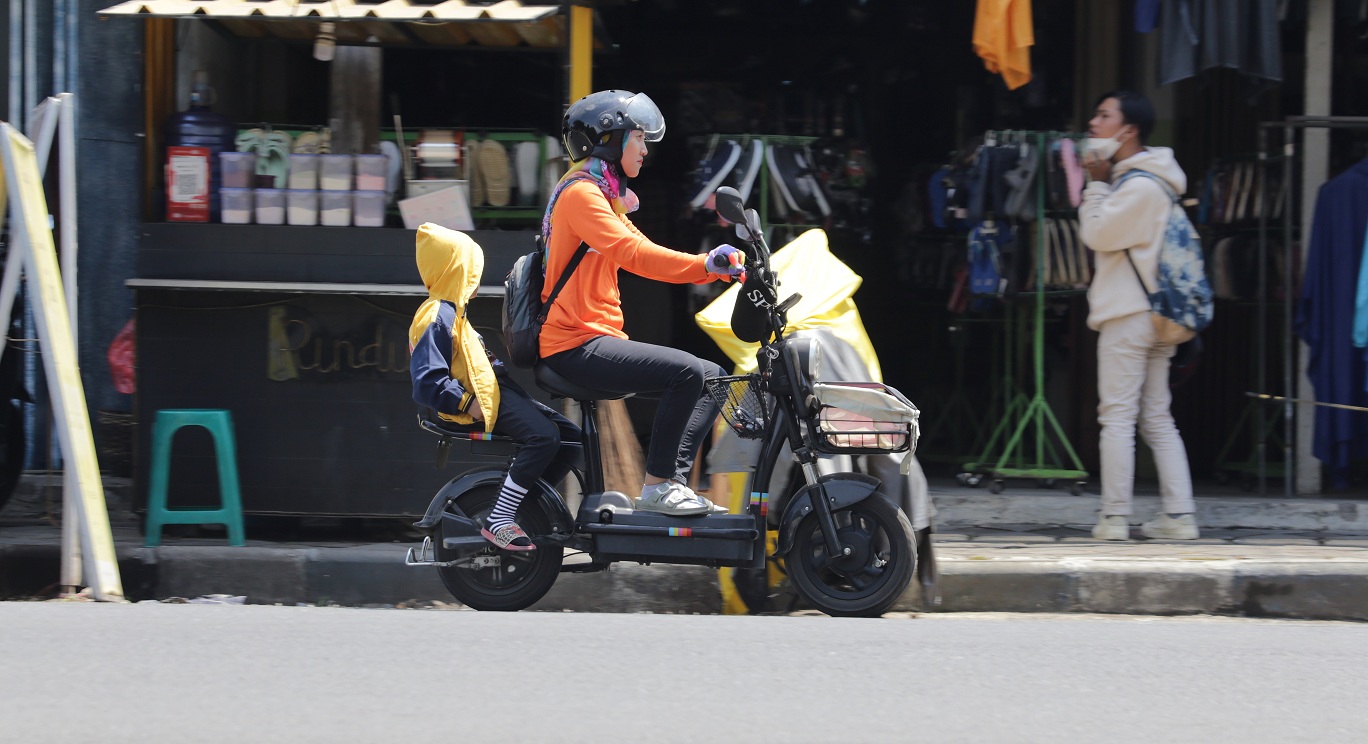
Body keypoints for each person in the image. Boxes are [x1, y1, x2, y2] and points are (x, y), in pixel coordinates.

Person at [539, 89, 746, 516]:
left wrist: (708, 266)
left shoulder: (604, 195)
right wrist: (707, 264)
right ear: (609, 139)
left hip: (594, 338)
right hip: (573, 343)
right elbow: (634, 256)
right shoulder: (582, 195)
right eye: (639, 138)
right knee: (687, 372)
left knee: (713, 377)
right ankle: (658, 488)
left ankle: (669, 485)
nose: (645, 149)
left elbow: (643, 249)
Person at [409, 223, 582, 551]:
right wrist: (466, 403)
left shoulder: (455, 314)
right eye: (471, 271)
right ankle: (499, 518)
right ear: (456, 271)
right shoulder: (436, 315)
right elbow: (427, 381)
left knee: (571, 439)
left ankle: (521, 508)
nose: (476, 279)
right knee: (544, 437)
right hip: (478, 402)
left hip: (497, 395)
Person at [1078, 90, 1199, 541]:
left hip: (1130, 314)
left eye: (1103, 115)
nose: (1094, 122)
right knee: (1155, 417)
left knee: (1118, 417)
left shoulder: (1140, 186)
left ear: (1127, 131)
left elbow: (1097, 233)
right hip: (1157, 315)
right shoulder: (1153, 181)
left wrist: (1095, 184)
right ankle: (1180, 515)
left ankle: (1114, 518)